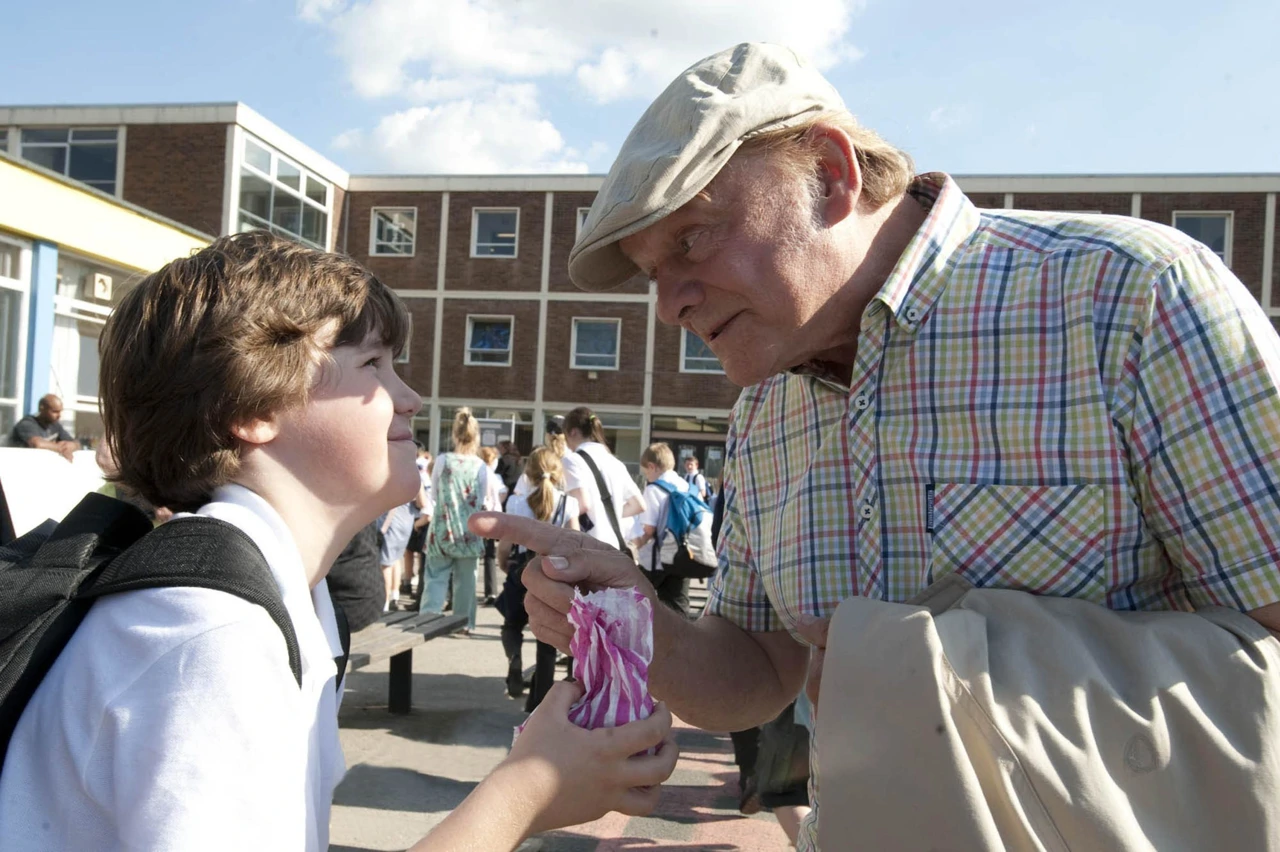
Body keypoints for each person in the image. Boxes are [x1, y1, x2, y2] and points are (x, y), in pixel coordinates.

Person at [475, 42, 1280, 850]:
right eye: (651, 273)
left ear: (831, 176)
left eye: (691, 240)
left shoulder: (1128, 301)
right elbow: (757, 672)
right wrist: (642, 619)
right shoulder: (764, 411)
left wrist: (923, 672)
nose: (667, 307)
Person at [0, 232, 678, 851]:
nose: (410, 397)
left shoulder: (273, 595)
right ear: (254, 407)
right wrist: (525, 793)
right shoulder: (210, 634)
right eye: (374, 364)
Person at [496, 446, 580, 710]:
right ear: (558, 473)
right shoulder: (568, 503)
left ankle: (514, 658)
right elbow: (576, 543)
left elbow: (505, 545)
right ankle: (539, 701)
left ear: (528, 473)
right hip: (553, 573)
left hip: (522, 569)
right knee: (547, 640)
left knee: (512, 623)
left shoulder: (517, 502)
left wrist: (503, 564)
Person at [421, 408, 489, 634]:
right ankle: (464, 623)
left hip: (442, 528)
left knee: (435, 579)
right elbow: (482, 499)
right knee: (467, 583)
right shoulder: (480, 466)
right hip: (469, 531)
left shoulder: (443, 460)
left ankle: (428, 619)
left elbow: (433, 495)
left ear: (454, 434)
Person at [560, 406, 643, 554]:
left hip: (588, 546)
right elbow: (639, 505)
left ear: (572, 432)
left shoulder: (572, 460)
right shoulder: (615, 462)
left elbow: (582, 504)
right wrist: (607, 514)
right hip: (615, 547)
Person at [629, 442, 691, 617]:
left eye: (646, 472)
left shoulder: (653, 489)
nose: (647, 476)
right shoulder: (684, 485)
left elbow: (649, 529)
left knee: (633, 598)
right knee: (678, 605)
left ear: (652, 466)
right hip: (683, 553)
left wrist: (634, 545)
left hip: (657, 559)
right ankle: (682, 633)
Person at [9, 393, 77, 461]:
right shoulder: (27, 424)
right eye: (55, 412)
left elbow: (76, 443)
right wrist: (61, 448)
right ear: (42, 408)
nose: (59, 415)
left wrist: (70, 446)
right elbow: (37, 444)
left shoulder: (55, 425)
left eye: (60, 411)